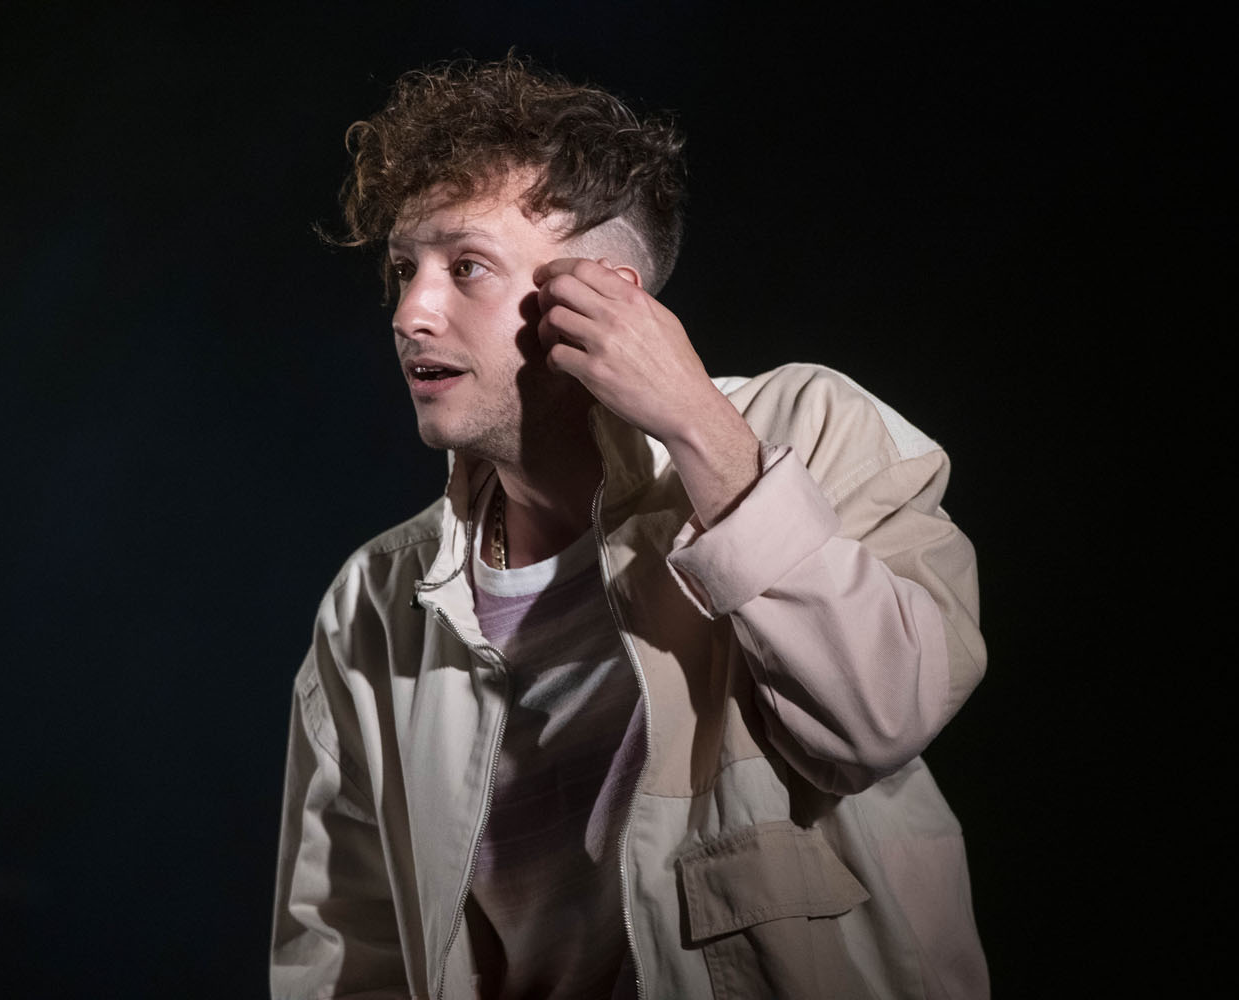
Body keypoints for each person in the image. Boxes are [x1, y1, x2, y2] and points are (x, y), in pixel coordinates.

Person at [270, 55, 988, 1000]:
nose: (410, 313)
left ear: (605, 295)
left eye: (465, 266)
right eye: (405, 269)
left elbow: (880, 716)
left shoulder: (814, 428)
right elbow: (340, 952)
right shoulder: (370, 603)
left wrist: (695, 421)